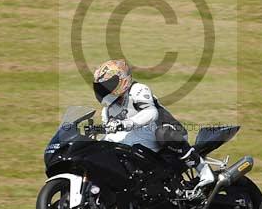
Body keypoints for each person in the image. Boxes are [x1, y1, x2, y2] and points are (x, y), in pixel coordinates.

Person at [92, 59, 215, 192]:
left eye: (109, 84)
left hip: (166, 133)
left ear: (123, 80)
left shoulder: (137, 90)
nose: (105, 89)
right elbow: (110, 133)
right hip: (139, 140)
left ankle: (203, 170)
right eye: (102, 87)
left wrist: (126, 124)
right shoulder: (107, 110)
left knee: (163, 133)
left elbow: (150, 113)